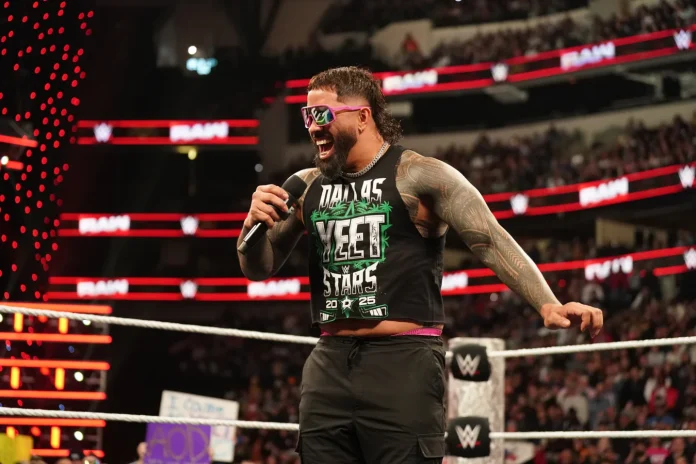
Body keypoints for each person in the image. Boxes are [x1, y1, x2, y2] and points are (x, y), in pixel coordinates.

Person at [237, 66, 604, 464]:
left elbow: (489, 238)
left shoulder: (418, 175)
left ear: (362, 117)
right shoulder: (305, 185)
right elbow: (258, 268)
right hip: (329, 363)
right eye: (307, 116)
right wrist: (251, 226)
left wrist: (547, 304)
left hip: (404, 362)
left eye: (322, 114)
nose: (312, 127)